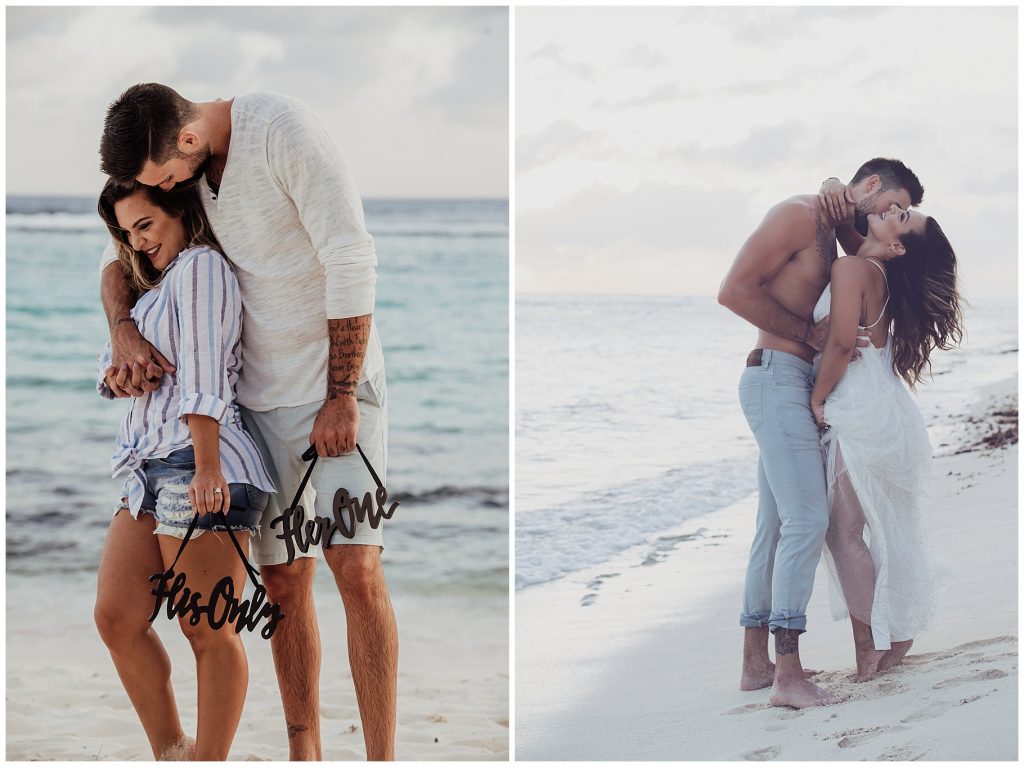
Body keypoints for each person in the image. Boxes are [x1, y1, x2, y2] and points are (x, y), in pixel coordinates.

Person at [97, 83, 396, 760]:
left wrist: (341, 391)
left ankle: (382, 756)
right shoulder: (194, 180)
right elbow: (119, 262)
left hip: (338, 391)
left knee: (356, 566)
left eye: (165, 177)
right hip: (258, 406)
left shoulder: (284, 129)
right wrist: (122, 333)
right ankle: (305, 750)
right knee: (287, 580)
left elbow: (351, 256)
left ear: (189, 140)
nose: (168, 190)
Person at [717, 158, 924, 708]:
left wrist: (838, 190)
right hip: (776, 377)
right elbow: (733, 291)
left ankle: (756, 665)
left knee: (773, 526)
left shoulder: (838, 230)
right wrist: (809, 338)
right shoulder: (798, 214)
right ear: (874, 186)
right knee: (807, 519)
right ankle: (788, 675)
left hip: (796, 382)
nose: (893, 216)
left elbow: (876, 254)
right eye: (891, 206)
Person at [93, 179, 277, 760]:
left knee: (207, 630)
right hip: (146, 469)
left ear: (180, 211)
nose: (138, 242)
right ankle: (173, 750)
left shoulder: (201, 268)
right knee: (117, 617)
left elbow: (202, 377)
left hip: (201, 462)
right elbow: (112, 377)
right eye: (126, 233)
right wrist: (123, 371)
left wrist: (206, 469)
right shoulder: (156, 288)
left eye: (145, 225)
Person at [810, 203, 963, 681]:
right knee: (884, 528)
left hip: (861, 410)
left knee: (845, 532)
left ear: (897, 245)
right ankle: (890, 634)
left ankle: (870, 649)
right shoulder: (873, 268)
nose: (894, 209)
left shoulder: (851, 267)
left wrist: (817, 400)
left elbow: (839, 345)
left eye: (902, 217)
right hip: (887, 411)